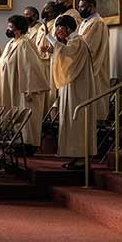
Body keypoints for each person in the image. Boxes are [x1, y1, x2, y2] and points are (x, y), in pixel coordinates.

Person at [45, 15, 97, 169]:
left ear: (68, 28)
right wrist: (54, 48)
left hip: (79, 89)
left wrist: (50, 38)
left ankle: (82, 157)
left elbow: (66, 53)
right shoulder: (71, 42)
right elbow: (64, 59)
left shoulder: (77, 42)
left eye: (60, 28)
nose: (58, 31)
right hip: (72, 86)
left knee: (78, 121)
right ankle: (75, 155)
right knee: (70, 121)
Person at [0, 15, 50, 151]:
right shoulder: (11, 43)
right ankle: (15, 142)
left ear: (19, 29)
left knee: (24, 115)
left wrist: (30, 89)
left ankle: (27, 145)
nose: (8, 29)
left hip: (23, 89)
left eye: (10, 27)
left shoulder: (25, 43)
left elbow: (31, 67)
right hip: (11, 86)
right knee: (13, 114)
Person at [77, 0, 111, 119]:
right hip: (85, 65)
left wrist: (72, 48)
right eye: (79, 7)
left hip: (94, 65)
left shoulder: (97, 23)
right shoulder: (85, 22)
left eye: (82, 7)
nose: (80, 10)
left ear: (91, 7)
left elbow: (89, 46)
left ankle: (97, 122)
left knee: (96, 96)